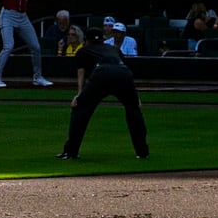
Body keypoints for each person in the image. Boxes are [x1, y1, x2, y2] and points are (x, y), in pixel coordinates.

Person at [57, 16, 151, 162]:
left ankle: (70, 152)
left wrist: (79, 95)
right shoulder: (113, 49)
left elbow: (81, 73)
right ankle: (143, 152)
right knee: (134, 111)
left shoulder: (83, 50)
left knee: (80, 110)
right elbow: (125, 70)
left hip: (101, 74)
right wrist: (135, 96)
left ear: (86, 40)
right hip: (123, 74)